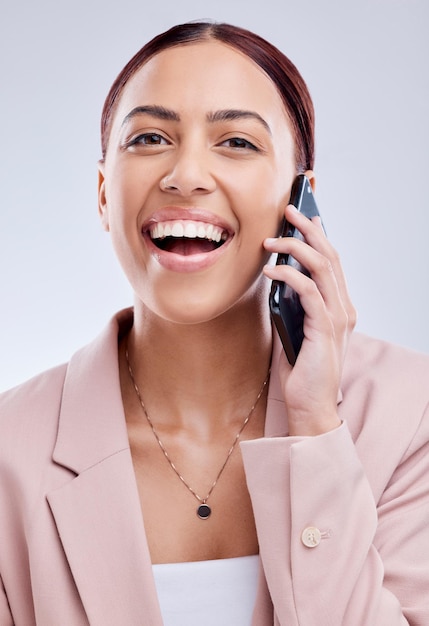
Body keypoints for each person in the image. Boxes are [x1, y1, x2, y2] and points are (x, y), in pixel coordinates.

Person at [0, 20, 428, 626]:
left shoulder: (410, 416)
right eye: (149, 138)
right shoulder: (9, 450)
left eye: (237, 142)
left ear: (301, 196)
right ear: (102, 193)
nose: (186, 175)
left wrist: (316, 430)